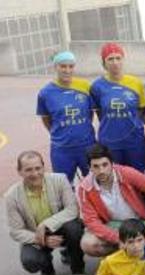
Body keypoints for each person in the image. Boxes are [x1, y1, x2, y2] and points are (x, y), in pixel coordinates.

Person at [77, 144, 145, 258]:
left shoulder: (126, 173)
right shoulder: (85, 188)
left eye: (105, 165)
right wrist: (119, 239)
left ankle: (133, 253)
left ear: (112, 163)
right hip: (111, 225)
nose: (101, 170)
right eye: (96, 166)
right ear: (89, 168)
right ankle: (120, 255)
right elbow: (91, 221)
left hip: (137, 223)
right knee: (88, 244)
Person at [6, 151, 84, 275]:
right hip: (36, 234)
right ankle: (46, 265)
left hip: (60, 228)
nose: (35, 173)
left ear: (43, 167)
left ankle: (78, 269)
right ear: (19, 171)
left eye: (38, 168)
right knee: (30, 261)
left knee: (74, 228)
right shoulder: (12, 196)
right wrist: (42, 240)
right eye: (28, 170)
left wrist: (46, 224)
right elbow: (16, 231)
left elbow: (72, 209)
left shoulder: (60, 179)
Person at [90, 43, 145, 172]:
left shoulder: (136, 83)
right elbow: (99, 113)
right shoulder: (97, 86)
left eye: (118, 58)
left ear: (123, 60)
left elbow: (140, 110)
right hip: (110, 141)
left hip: (134, 140)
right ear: (104, 63)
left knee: (138, 177)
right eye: (110, 59)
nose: (115, 62)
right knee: (113, 177)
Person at [37, 51, 96, 182]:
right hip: (61, 149)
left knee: (94, 184)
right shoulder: (45, 93)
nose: (67, 70)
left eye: (71, 66)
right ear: (55, 67)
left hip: (87, 146)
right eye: (63, 66)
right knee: (62, 185)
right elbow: (46, 118)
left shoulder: (85, 87)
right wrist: (59, 133)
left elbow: (90, 113)